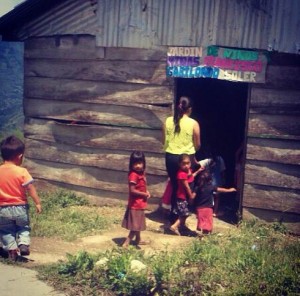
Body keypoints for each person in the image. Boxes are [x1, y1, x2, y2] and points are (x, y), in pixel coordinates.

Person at [0, 135, 42, 261]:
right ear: (20, 156)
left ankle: (12, 251)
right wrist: (37, 203)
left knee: (6, 230)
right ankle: (23, 244)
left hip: (2, 209)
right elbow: (30, 188)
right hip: (20, 208)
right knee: (23, 227)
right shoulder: (22, 171)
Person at [162, 96, 201, 225]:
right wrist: (192, 156)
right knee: (187, 187)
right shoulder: (193, 123)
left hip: (171, 158)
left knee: (175, 185)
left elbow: (164, 141)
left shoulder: (167, 121)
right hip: (185, 158)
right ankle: (181, 219)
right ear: (189, 109)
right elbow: (198, 144)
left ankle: (173, 216)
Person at [121, 151, 151, 247]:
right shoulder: (133, 175)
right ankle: (126, 242)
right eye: (135, 163)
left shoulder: (141, 173)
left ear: (143, 163)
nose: (138, 166)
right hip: (135, 204)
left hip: (140, 203)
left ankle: (138, 239)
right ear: (131, 164)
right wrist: (144, 194)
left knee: (137, 222)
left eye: (140, 163)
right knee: (135, 225)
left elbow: (142, 186)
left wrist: (147, 192)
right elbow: (132, 190)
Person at [194, 167, 236, 234]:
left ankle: (203, 235)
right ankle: (205, 235)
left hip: (199, 208)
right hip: (208, 208)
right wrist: (229, 190)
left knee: (202, 221)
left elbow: (192, 196)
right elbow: (221, 189)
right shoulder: (211, 187)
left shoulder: (197, 188)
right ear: (210, 180)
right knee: (208, 222)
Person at [169, 154, 202, 235]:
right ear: (179, 164)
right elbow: (186, 186)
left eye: (188, 163)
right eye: (184, 164)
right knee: (184, 214)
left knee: (185, 213)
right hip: (182, 197)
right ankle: (174, 226)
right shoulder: (181, 174)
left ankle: (182, 226)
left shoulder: (187, 171)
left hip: (185, 197)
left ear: (190, 163)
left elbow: (191, 177)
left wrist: (198, 171)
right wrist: (191, 197)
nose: (186, 165)